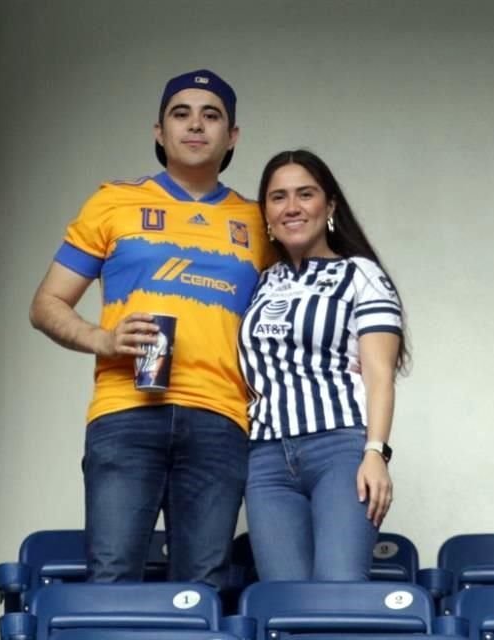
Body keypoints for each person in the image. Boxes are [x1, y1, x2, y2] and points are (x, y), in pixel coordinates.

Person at [29, 69, 272, 587]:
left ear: (232, 137)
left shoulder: (258, 221)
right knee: (112, 577)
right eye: (180, 114)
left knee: (200, 590)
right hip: (125, 411)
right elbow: (46, 302)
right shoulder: (113, 202)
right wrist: (103, 338)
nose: (195, 126)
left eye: (211, 116)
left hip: (221, 416)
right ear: (159, 131)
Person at [237, 149, 409, 581]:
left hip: (339, 451)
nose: (291, 207)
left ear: (329, 206)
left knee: (339, 591)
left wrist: (376, 454)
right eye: (278, 197)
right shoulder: (258, 281)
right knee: (283, 602)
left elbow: (379, 374)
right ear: (266, 214)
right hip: (264, 458)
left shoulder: (361, 275)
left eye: (305, 194)